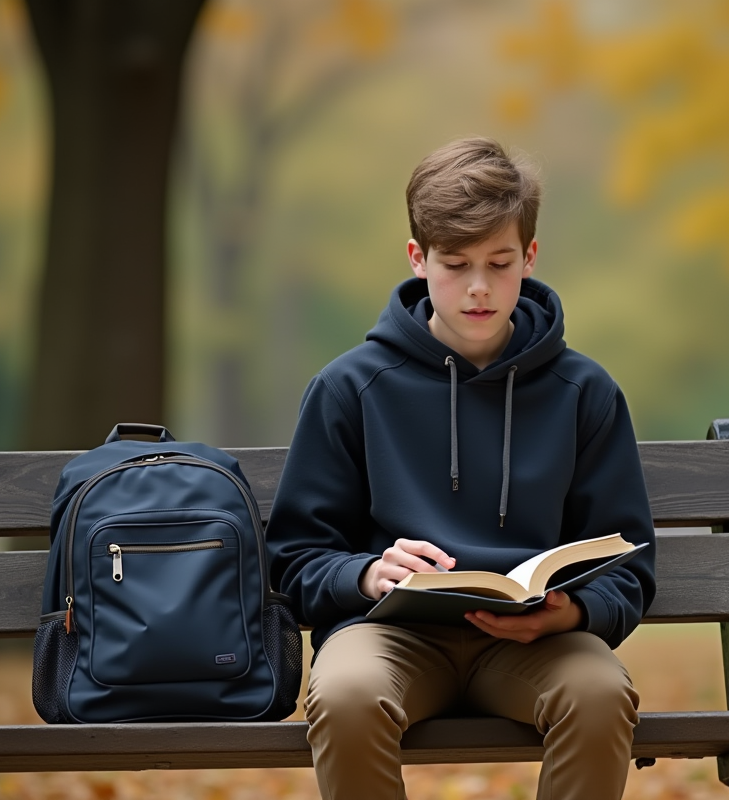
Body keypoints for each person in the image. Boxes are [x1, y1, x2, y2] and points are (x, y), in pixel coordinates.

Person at [265, 137, 656, 800]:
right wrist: (364, 572)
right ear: (418, 259)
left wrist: (570, 614)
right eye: (456, 264)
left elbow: (629, 566)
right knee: (348, 695)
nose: (479, 287)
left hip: (534, 645)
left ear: (529, 259)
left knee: (599, 693)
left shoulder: (584, 392)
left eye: (500, 263)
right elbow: (296, 558)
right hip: (389, 635)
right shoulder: (349, 388)